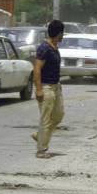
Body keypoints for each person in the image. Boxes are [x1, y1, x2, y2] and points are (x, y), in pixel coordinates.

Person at [31, 20, 65, 158]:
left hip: (56, 87)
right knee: (46, 118)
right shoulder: (44, 48)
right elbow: (37, 69)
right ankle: (41, 150)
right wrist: (39, 89)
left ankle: (39, 136)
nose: (63, 35)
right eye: (62, 33)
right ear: (58, 33)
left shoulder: (54, 47)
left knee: (58, 115)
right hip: (46, 87)